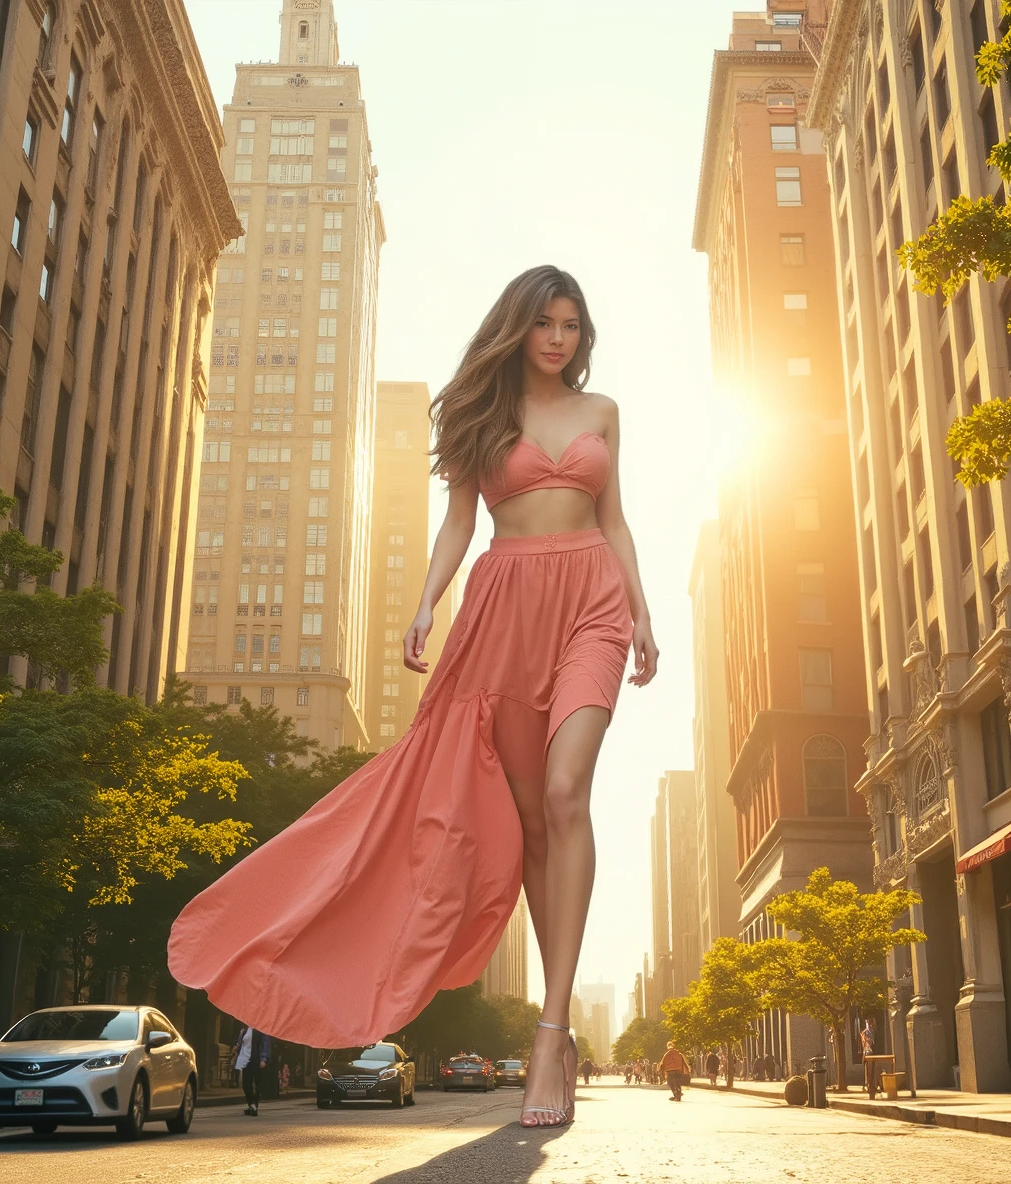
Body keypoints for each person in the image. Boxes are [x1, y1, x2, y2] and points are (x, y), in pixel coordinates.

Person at [169, 266, 657, 1131]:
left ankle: (551, 1030)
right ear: (518, 327)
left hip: (591, 604)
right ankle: (560, 1017)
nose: (558, 339)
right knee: (531, 824)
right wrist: (428, 602)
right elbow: (461, 524)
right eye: (545, 323)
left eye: (572, 325)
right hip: (502, 609)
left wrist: (642, 615)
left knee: (564, 791)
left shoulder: (603, 414)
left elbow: (614, 519)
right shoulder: (481, 416)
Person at [234, 1022, 273, 1117]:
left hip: (256, 1060)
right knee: (246, 1084)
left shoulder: (261, 1030)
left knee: (256, 1084)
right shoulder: (243, 1031)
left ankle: (254, 1105)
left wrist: (264, 1059)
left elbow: (265, 1045)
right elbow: (240, 1044)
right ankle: (251, 1104)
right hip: (245, 1060)